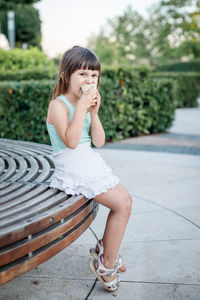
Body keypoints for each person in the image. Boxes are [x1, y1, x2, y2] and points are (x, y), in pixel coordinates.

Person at [46, 45, 132, 292]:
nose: (89, 80)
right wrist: (82, 106)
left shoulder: (85, 105)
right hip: (73, 166)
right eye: (82, 74)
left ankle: (106, 250)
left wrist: (94, 114)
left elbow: (99, 141)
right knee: (123, 204)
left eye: (94, 75)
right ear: (66, 75)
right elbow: (71, 142)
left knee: (125, 202)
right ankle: (106, 264)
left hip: (88, 160)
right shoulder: (58, 105)